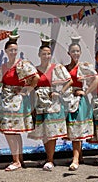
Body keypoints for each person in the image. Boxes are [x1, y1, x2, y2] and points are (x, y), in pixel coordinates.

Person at [0, 33, 40, 171]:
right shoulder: (4, 66)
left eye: (15, 50)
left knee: (11, 131)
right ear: (6, 51)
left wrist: (26, 89)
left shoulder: (22, 64)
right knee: (12, 132)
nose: (13, 52)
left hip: (17, 101)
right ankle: (18, 159)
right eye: (11, 50)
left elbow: (36, 77)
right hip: (6, 100)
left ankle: (16, 160)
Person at [27, 38, 72, 171]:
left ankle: (51, 160)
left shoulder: (56, 68)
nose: (46, 56)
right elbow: (31, 89)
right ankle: (48, 157)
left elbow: (69, 81)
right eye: (43, 54)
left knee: (51, 133)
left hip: (52, 104)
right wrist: (32, 106)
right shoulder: (35, 70)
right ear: (39, 55)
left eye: (48, 54)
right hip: (39, 103)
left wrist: (59, 92)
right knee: (44, 132)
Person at [64, 36, 98, 171]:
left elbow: (96, 80)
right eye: (73, 51)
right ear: (69, 53)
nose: (75, 54)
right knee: (72, 129)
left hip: (79, 100)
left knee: (76, 129)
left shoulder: (83, 66)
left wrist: (85, 92)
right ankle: (79, 156)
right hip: (68, 100)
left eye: (77, 51)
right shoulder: (65, 67)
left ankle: (75, 159)